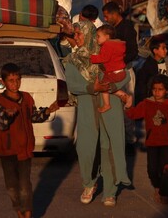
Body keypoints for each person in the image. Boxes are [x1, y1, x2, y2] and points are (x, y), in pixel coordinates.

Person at [62, 20, 131, 207]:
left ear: (91, 34)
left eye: (79, 33)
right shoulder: (72, 61)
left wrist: (114, 88)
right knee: (85, 148)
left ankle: (110, 191)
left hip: (110, 108)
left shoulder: (106, 52)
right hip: (87, 109)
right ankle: (89, 184)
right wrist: (93, 86)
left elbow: (124, 74)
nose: (76, 37)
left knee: (108, 148)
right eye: (74, 34)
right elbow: (73, 85)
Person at [0, 63, 59, 218]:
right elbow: (1, 125)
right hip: (7, 150)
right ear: (3, 82)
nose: (15, 83)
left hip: (25, 149)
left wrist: (48, 110)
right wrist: (8, 115)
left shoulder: (27, 98)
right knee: (11, 187)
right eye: (11, 80)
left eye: (18, 80)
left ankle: (28, 214)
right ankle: (19, 211)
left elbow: (33, 117)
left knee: (24, 186)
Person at [125, 74, 168, 205]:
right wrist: (128, 105)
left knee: (166, 168)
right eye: (154, 89)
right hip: (152, 143)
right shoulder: (146, 103)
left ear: (166, 91)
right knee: (152, 170)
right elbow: (134, 114)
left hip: (167, 142)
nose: (157, 92)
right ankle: (157, 187)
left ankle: (164, 193)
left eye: (160, 89)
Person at [101, 1, 139, 148]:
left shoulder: (127, 29)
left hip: (124, 73)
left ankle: (130, 140)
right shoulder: (111, 29)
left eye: (106, 16)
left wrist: (118, 62)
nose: (105, 19)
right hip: (112, 73)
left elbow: (133, 52)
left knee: (127, 106)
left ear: (114, 14)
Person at [89, 24, 132, 113]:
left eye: (98, 36)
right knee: (110, 88)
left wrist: (91, 58)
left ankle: (106, 105)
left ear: (107, 37)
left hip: (113, 73)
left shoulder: (107, 45)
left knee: (103, 87)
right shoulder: (118, 45)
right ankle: (125, 96)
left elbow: (104, 58)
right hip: (120, 71)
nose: (96, 39)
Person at [136, 37, 168, 104]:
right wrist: (144, 99)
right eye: (163, 48)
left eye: (166, 48)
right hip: (154, 99)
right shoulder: (148, 65)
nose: (166, 51)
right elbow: (142, 84)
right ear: (155, 51)